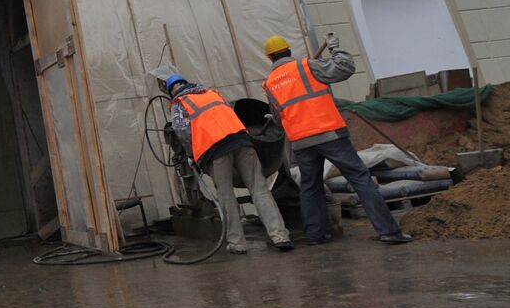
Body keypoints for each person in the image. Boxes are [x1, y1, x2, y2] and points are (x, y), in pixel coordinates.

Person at [261, 34, 414, 245]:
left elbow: (278, 120)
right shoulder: (307, 66)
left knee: (310, 187)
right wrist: (336, 50)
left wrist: (273, 117)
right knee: (360, 179)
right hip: (329, 133)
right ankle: (388, 231)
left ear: (270, 58)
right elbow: (345, 68)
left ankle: (315, 235)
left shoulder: (269, 84)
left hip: (301, 142)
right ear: (288, 51)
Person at [164, 73, 293, 254]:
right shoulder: (211, 93)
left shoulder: (179, 104)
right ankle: (280, 236)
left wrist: (191, 154)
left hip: (216, 151)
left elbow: (183, 132)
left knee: (226, 196)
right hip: (243, 142)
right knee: (260, 189)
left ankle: (237, 243)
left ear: (172, 90)